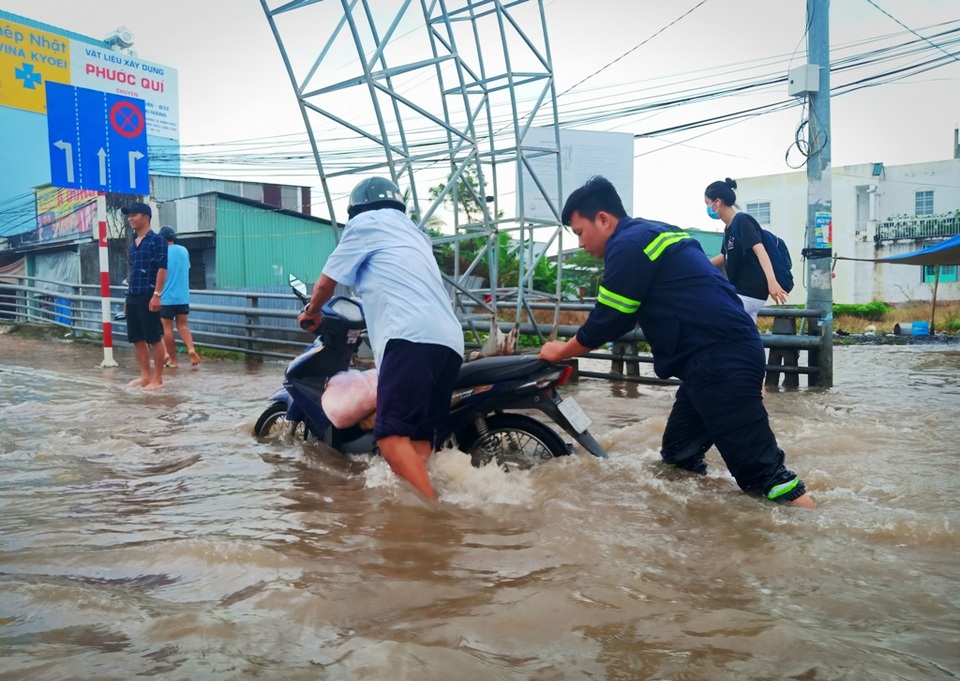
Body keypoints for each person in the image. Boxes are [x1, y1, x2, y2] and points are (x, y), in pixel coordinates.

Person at [538, 176, 816, 508]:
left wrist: (561, 352)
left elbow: (608, 319)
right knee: (677, 457)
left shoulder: (627, 246)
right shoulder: (656, 231)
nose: (581, 243)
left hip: (719, 361)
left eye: (580, 233)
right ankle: (705, 526)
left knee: (765, 477)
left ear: (603, 219)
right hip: (715, 360)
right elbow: (624, 315)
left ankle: (819, 536)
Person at [297, 177, 464, 500]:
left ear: (356, 208)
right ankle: (414, 528)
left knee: (389, 440)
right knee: (416, 442)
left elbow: (325, 285)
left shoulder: (363, 224)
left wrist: (311, 312)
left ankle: (438, 523)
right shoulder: (415, 233)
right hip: (449, 342)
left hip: (410, 337)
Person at [705, 177, 788, 323]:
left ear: (717, 202)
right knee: (746, 338)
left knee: (715, 318)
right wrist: (699, 264)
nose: (708, 208)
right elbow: (724, 256)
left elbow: (760, 250)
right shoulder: (728, 228)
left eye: (707, 203)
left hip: (750, 292)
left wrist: (772, 282)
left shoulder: (742, 220)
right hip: (743, 292)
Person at [122, 201, 167, 391]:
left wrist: (157, 294)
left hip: (149, 294)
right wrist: (127, 298)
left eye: (134, 214)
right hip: (134, 295)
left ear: (146, 217)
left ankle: (158, 379)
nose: (130, 218)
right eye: (129, 215)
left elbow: (162, 269)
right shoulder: (133, 242)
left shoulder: (157, 240)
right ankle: (145, 377)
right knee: (137, 338)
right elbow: (132, 272)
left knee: (154, 337)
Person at [158, 225, 201, 369]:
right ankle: (191, 349)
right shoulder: (184, 251)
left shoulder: (161, 253)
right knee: (183, 325)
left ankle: (173, 360)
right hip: (183, 297)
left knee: (167, 328)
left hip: (166, 297)